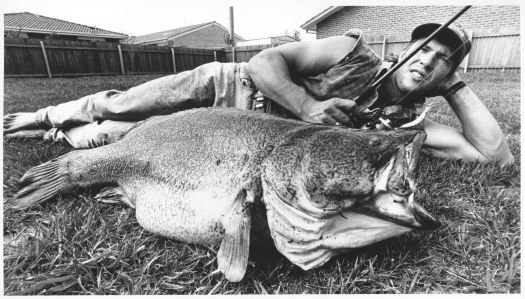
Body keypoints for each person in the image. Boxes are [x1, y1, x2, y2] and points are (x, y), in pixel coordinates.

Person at [3, 23, 514, 166]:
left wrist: (456, 87)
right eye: (423, 47)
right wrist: (309, 106)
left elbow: (496, 157)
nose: (427, 58)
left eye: (442, 59)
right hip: (228, 87)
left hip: (237, 137)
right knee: (121, 103)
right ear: (405, 50)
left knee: (116, 138)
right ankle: (44, 114)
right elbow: (264, 62)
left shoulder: (410, 123)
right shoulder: (351, 50)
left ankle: (59, 135)